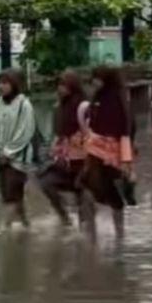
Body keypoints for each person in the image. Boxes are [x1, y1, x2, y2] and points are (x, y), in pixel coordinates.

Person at [81, 65, 134, 237]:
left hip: (113, 155)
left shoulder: (118, 99)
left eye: (98, 78)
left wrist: (126, 161)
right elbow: (91, 124)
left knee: (113, 196)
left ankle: (120, 234)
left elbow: (126, 130)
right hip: (94, 151)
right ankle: (91, 235)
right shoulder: (96, 98)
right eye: (94, 77)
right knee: (86, 187)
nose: (95, 81)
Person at [0, 69, 36, 229]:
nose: (1, 86)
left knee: (10, 194)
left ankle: (3, 229)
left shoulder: (24, 105)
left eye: (5, 83)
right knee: (13, 195)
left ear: (14, 85)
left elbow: (25, 132)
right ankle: (27, 226)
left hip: (19, 159)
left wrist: (9, 153)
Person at [38, 70, 90, 226]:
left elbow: (93, 135)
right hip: (65, 162)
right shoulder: (57, 108)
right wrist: (54, 150)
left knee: (84, 208)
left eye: (64, 85)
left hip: (84, 162)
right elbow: (58, 135)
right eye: (59, 85)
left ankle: (87, 237)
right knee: (46, 183)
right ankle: (65, 219)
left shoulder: (84, 107)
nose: (60, 89)